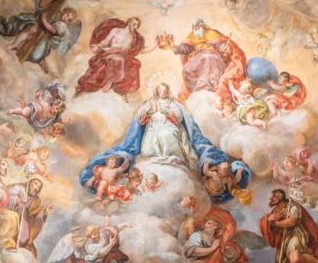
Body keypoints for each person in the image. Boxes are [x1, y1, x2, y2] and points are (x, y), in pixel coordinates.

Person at [80, 83, 251, 202]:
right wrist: (149, 114)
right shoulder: (150, 102)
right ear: (157, 91)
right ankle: (154, 157)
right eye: (160, 90)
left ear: (167, 91)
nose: (162, 92)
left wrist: (167, 113)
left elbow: (179, 117)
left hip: (170, 126)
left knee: (167, 134)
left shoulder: (173, 103)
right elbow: (141, 116)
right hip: (153, 126)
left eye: (165, 90)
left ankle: (170, 156)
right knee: (152, 138)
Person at [168, 19, 247, 104]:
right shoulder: (192, 38)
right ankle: (202, 84)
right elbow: (185, 48)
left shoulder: (211, 33)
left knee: (209, 57)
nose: (196, 29)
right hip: (198, 60)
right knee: (196, 65)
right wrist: (174, 47)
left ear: (202, 26)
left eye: (198, 27)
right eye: (194, 28)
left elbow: (220, 43)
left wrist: (223, 46)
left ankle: (213, 84)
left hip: (213, 58)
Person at [75, 17, 148, 98]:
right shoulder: (116, 30)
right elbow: (105, 42)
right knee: (115, 59)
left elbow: (132, 49)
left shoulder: (132, 37)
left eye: (137, 25)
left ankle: (110, 82)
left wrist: (155, 45)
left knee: (120, 60)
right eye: (134, 24)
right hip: (109, 52)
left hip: (121, 55)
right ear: (129, 22)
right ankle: (108, 81)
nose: (135, 27)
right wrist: (98, 46)